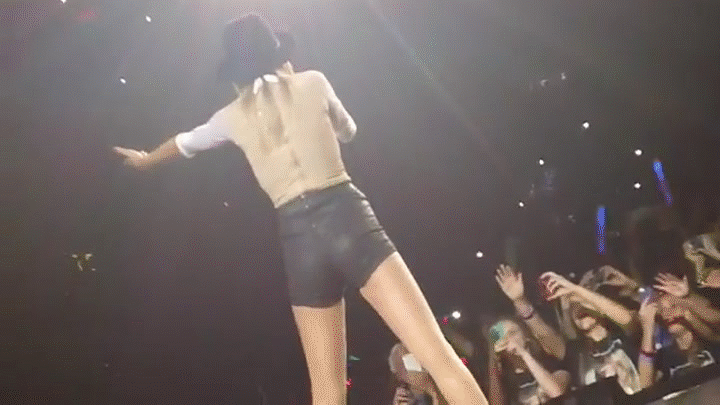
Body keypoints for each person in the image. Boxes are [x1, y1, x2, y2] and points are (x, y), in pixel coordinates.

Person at [113, 14, 486, 405]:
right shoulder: (312, 82)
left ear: (237, 72)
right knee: (437, 356)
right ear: (278, 54)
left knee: (326, 390)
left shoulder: (231, 117)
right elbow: (349, 131)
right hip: (347, 216)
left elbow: (184, 143)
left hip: (298, 240)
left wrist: (145, 160)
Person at [542, 272, 642, 395]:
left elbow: (628, 319)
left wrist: (575, 289)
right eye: (574, 306)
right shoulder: (576, 352)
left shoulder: (622, 333)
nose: (579, 308)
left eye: (583, 302)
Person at [486, 317, 570, 405]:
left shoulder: (548, 361)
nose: (508, 340)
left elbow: (556, 392)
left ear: (525, 334)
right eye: (502, 338)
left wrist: (522, 352)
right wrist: (493, 357)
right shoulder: (506, 379)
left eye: (512, 333)